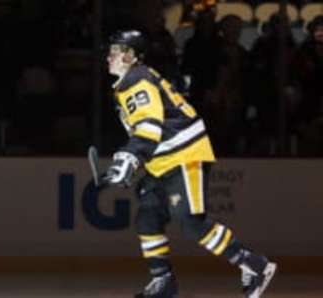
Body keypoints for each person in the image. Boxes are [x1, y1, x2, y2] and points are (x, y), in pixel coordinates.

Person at [102, 29, 277, 298]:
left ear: (132, 55)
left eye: (116, 50)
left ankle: (254, 265)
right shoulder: (132, 80)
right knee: (147, 216)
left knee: (192, 222)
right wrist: (131, 159)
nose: (110, 55)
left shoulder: (136, 80)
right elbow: (146, 129)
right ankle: (164, 282)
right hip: (164, 160)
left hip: (183, 155)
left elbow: (149, 125)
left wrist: (129, 157)